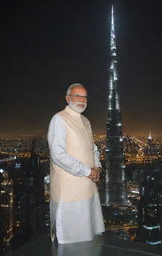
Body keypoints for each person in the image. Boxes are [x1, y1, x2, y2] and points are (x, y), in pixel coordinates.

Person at [47, 83, 105, 244]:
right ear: (68, 98)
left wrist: (98, 167)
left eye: (85, 96)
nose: (82, 100)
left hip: (88, 188)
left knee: (87, 239)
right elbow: (58, 155)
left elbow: (92, 147)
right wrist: (87, 171)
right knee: (72, 241)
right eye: (77, 96)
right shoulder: (59, 119)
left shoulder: (86, 121)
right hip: (69, 192)